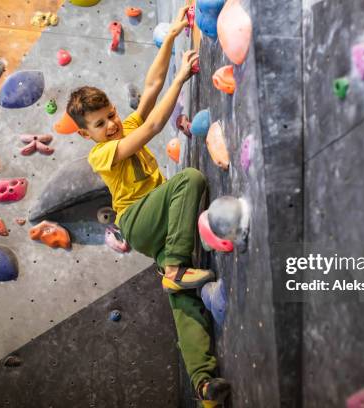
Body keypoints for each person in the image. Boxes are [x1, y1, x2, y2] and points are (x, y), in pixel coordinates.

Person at [66, 6, 230, 407]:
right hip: (138, 219)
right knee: (188, 179)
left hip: (158, 225)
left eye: (111, 115)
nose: (112, 124)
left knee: (184, 303)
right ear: (88, 135)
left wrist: (172, 36)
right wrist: (181, 77)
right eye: (100, 123)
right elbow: (155, 124)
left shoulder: (122, 125)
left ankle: (204, 384)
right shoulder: (102, 154)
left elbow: (151, 85)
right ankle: (174, 268)